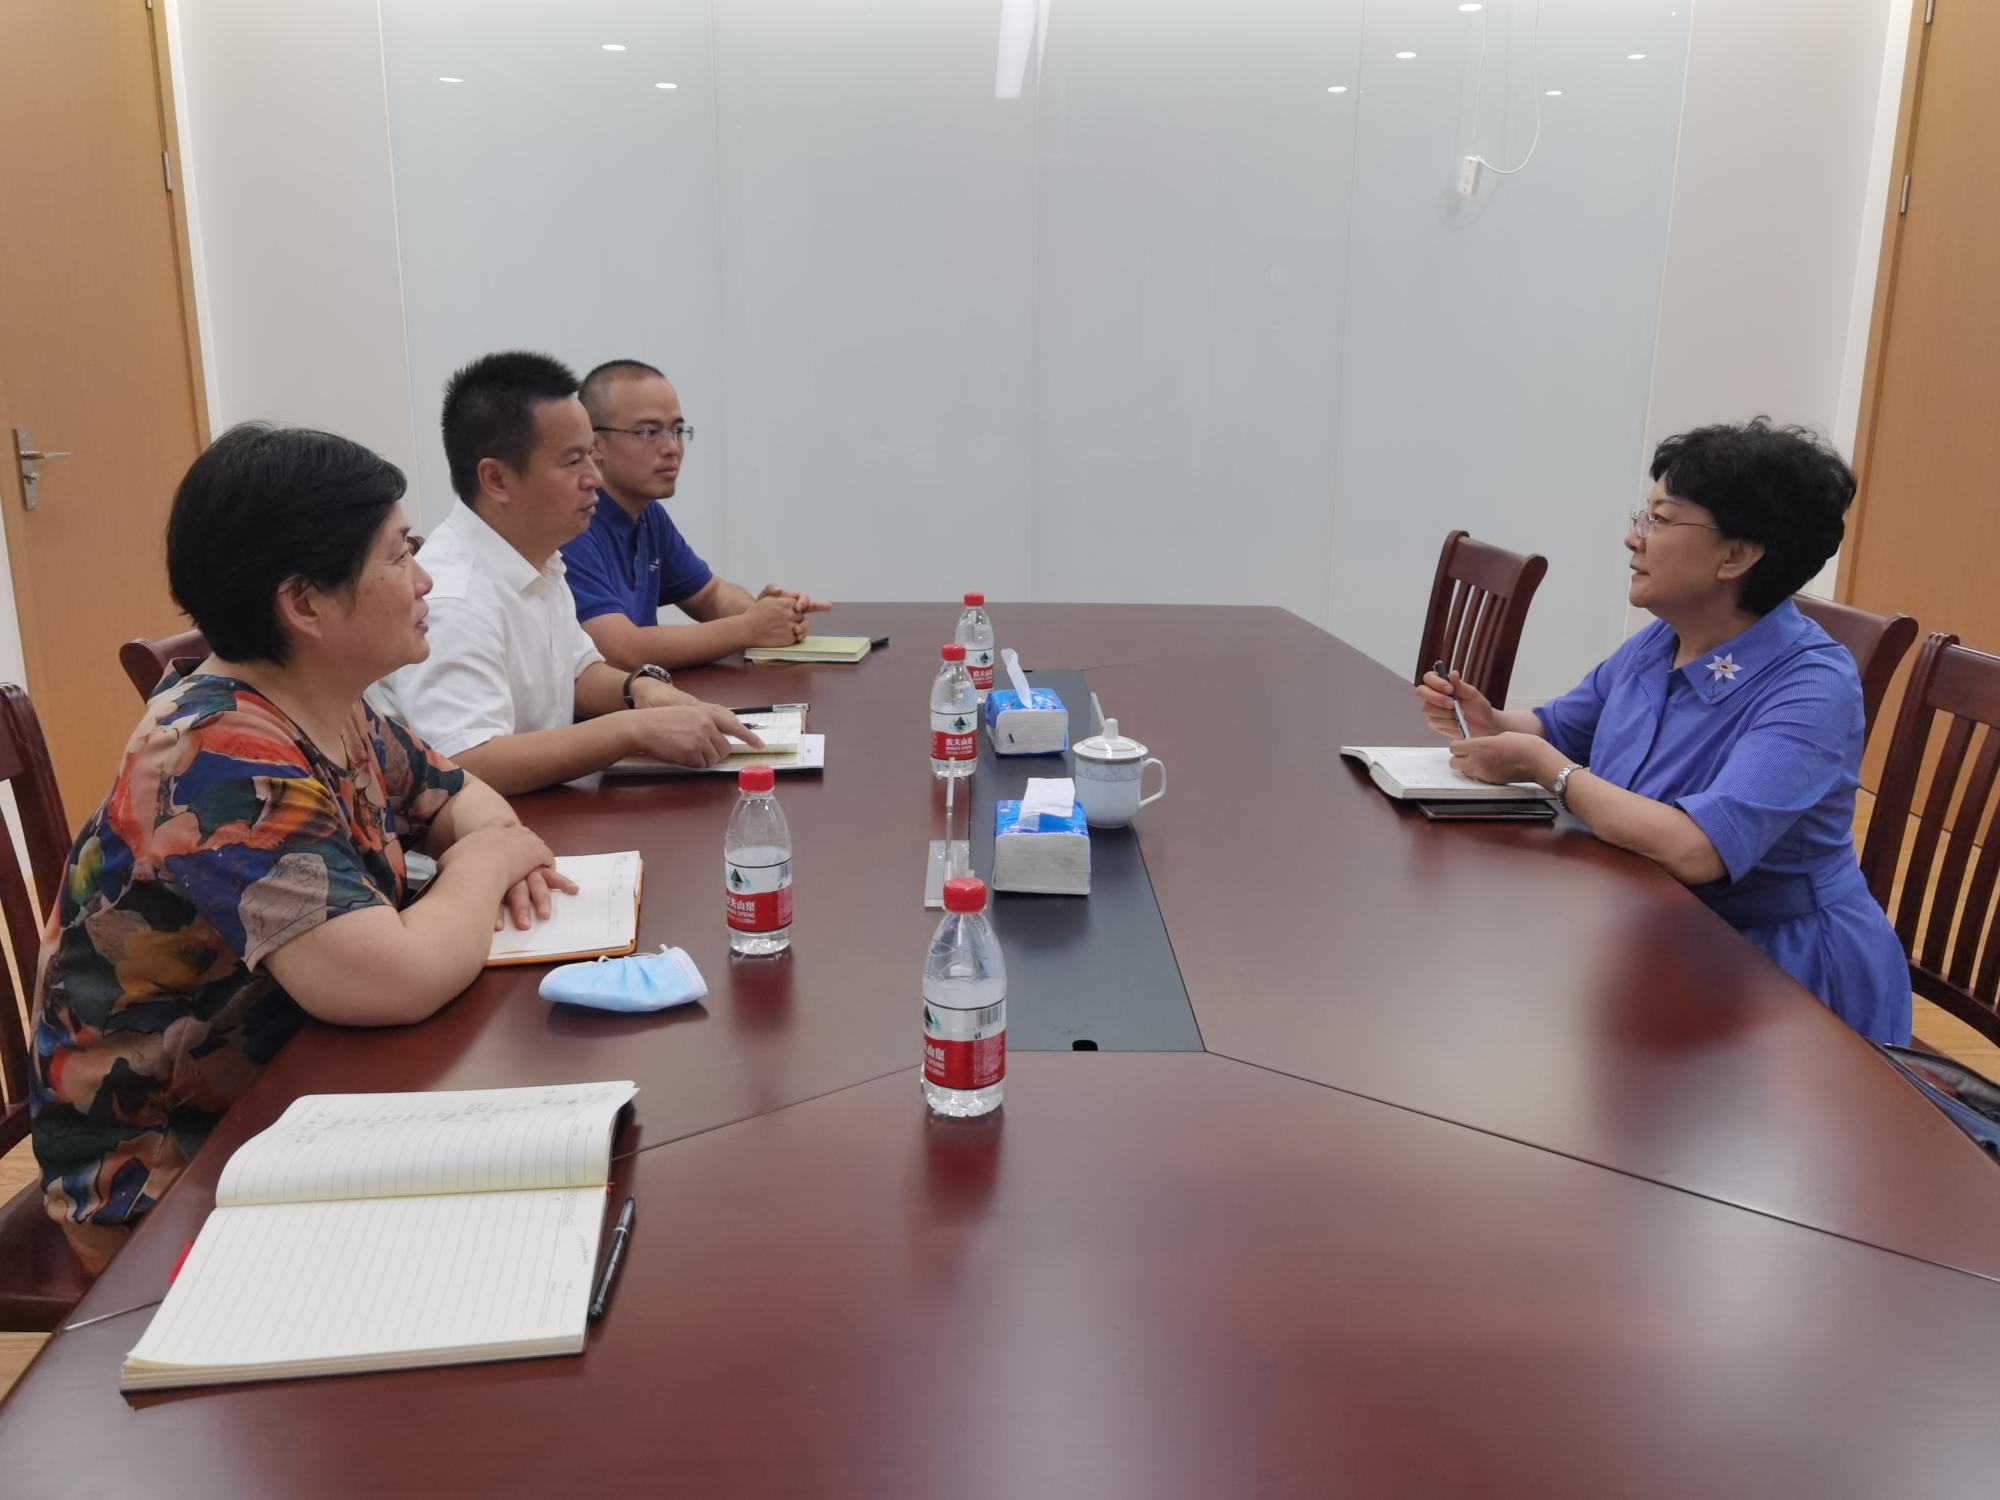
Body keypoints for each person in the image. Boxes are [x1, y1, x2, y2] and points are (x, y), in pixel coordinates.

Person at [31, 424, 573, 1271]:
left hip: (299, 1097)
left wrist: (485, 845)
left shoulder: (325, 701)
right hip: (171, 1174)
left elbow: (464, 797)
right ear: (306, 605)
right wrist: (483, 864)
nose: (425, 578)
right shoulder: (217, 755)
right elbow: (394, 979)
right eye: (399, 556)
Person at [1415, 419, 1910, 1045]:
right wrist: (1492, 722)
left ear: (1736, 556)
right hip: (1652, 926)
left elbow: (1697, 849)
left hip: (1777, 978)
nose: (1633, 537)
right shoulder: (1664, 639)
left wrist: (1548, 769)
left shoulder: (1813, 687)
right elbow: (1558, 727)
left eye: (1660, 520)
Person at [374, 352, 759, 794]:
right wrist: (631, 729)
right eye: (574, 461)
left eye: (591, 456)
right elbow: (467, 762)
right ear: (497, 479)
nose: (595, 477)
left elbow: (575, 671)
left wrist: (639, 690)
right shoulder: (451, 598)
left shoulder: (539, 558)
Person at [564, 358, 830, 669]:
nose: (672, 448)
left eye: (677, 431)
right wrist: (749, 627)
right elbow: (619, 650)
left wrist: (771, 615)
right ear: (594, 444)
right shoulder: (571, 522)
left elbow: (708, 594)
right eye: (648, 432)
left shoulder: (649, 515)